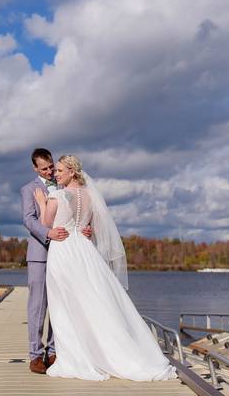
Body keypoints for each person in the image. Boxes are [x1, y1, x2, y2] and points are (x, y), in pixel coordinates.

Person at [32, 155, 177, 382]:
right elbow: (93, 226)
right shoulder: (90, 195)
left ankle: (76, 358)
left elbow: (45, 224)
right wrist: (85, 229)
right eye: (56, 170)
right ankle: (104, 350)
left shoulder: (56, 195)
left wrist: (42, 203)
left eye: (60, 170)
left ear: (71, 172)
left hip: (63, 252)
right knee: (92, 300)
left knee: (65, 306)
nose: (56, 174)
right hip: (84, 250)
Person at [20, 148, 94, 374]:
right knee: (38, 306)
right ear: (35, 168)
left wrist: (85, 229)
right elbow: (28, 220)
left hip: (65, 254)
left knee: (60, 304)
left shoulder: (64, 186)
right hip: (41, 255)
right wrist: (48, 233)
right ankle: (35, 355)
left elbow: (74, 215)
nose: (50, 171)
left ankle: (53, 351)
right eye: (44, 168)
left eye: (52, 166)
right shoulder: (28, 189)